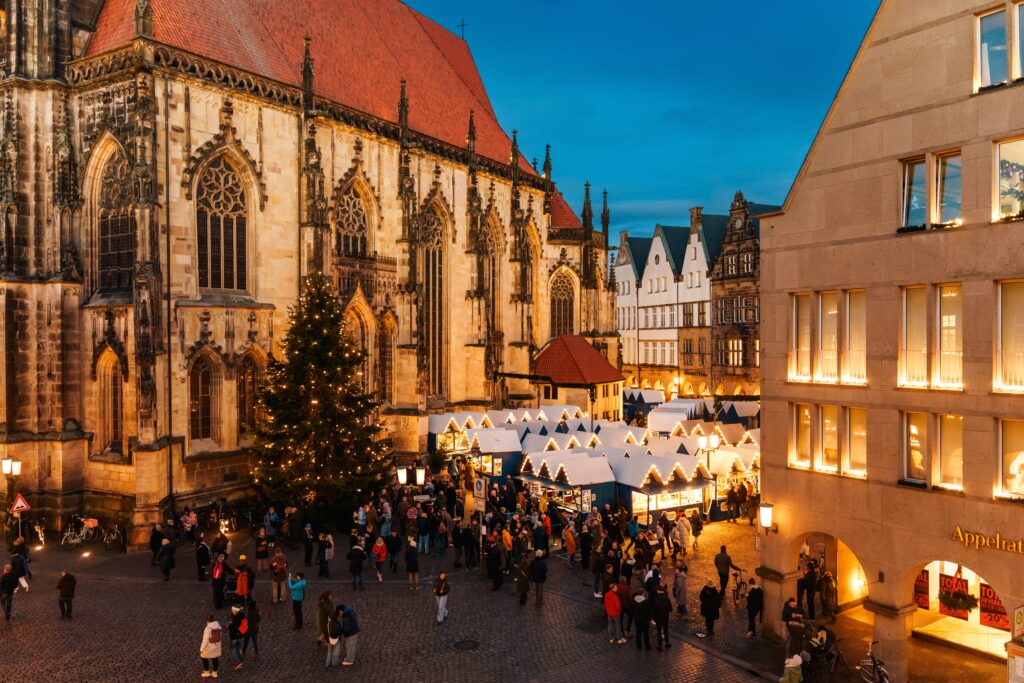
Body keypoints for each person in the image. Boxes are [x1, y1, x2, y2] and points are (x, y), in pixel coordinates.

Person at [653, 585, 672, 650]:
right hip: (665, 617)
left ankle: (660, 645)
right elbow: (670, 609)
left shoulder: (655, 599)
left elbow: (654, 610)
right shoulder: (666, 598)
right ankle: (667, 643)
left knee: (659, 631)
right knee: (666, 630)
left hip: (658, 618)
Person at [227, 605, 246, 671]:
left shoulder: (236, 619)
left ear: (236, 611)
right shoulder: (242, 615)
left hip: (235, 636)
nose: (231, 611)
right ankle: (241, 658)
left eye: (232, 610)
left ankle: (237, 663)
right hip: (241, 635)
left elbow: (232, 627)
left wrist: (228, 625)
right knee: (239, 648)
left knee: (232, 649)